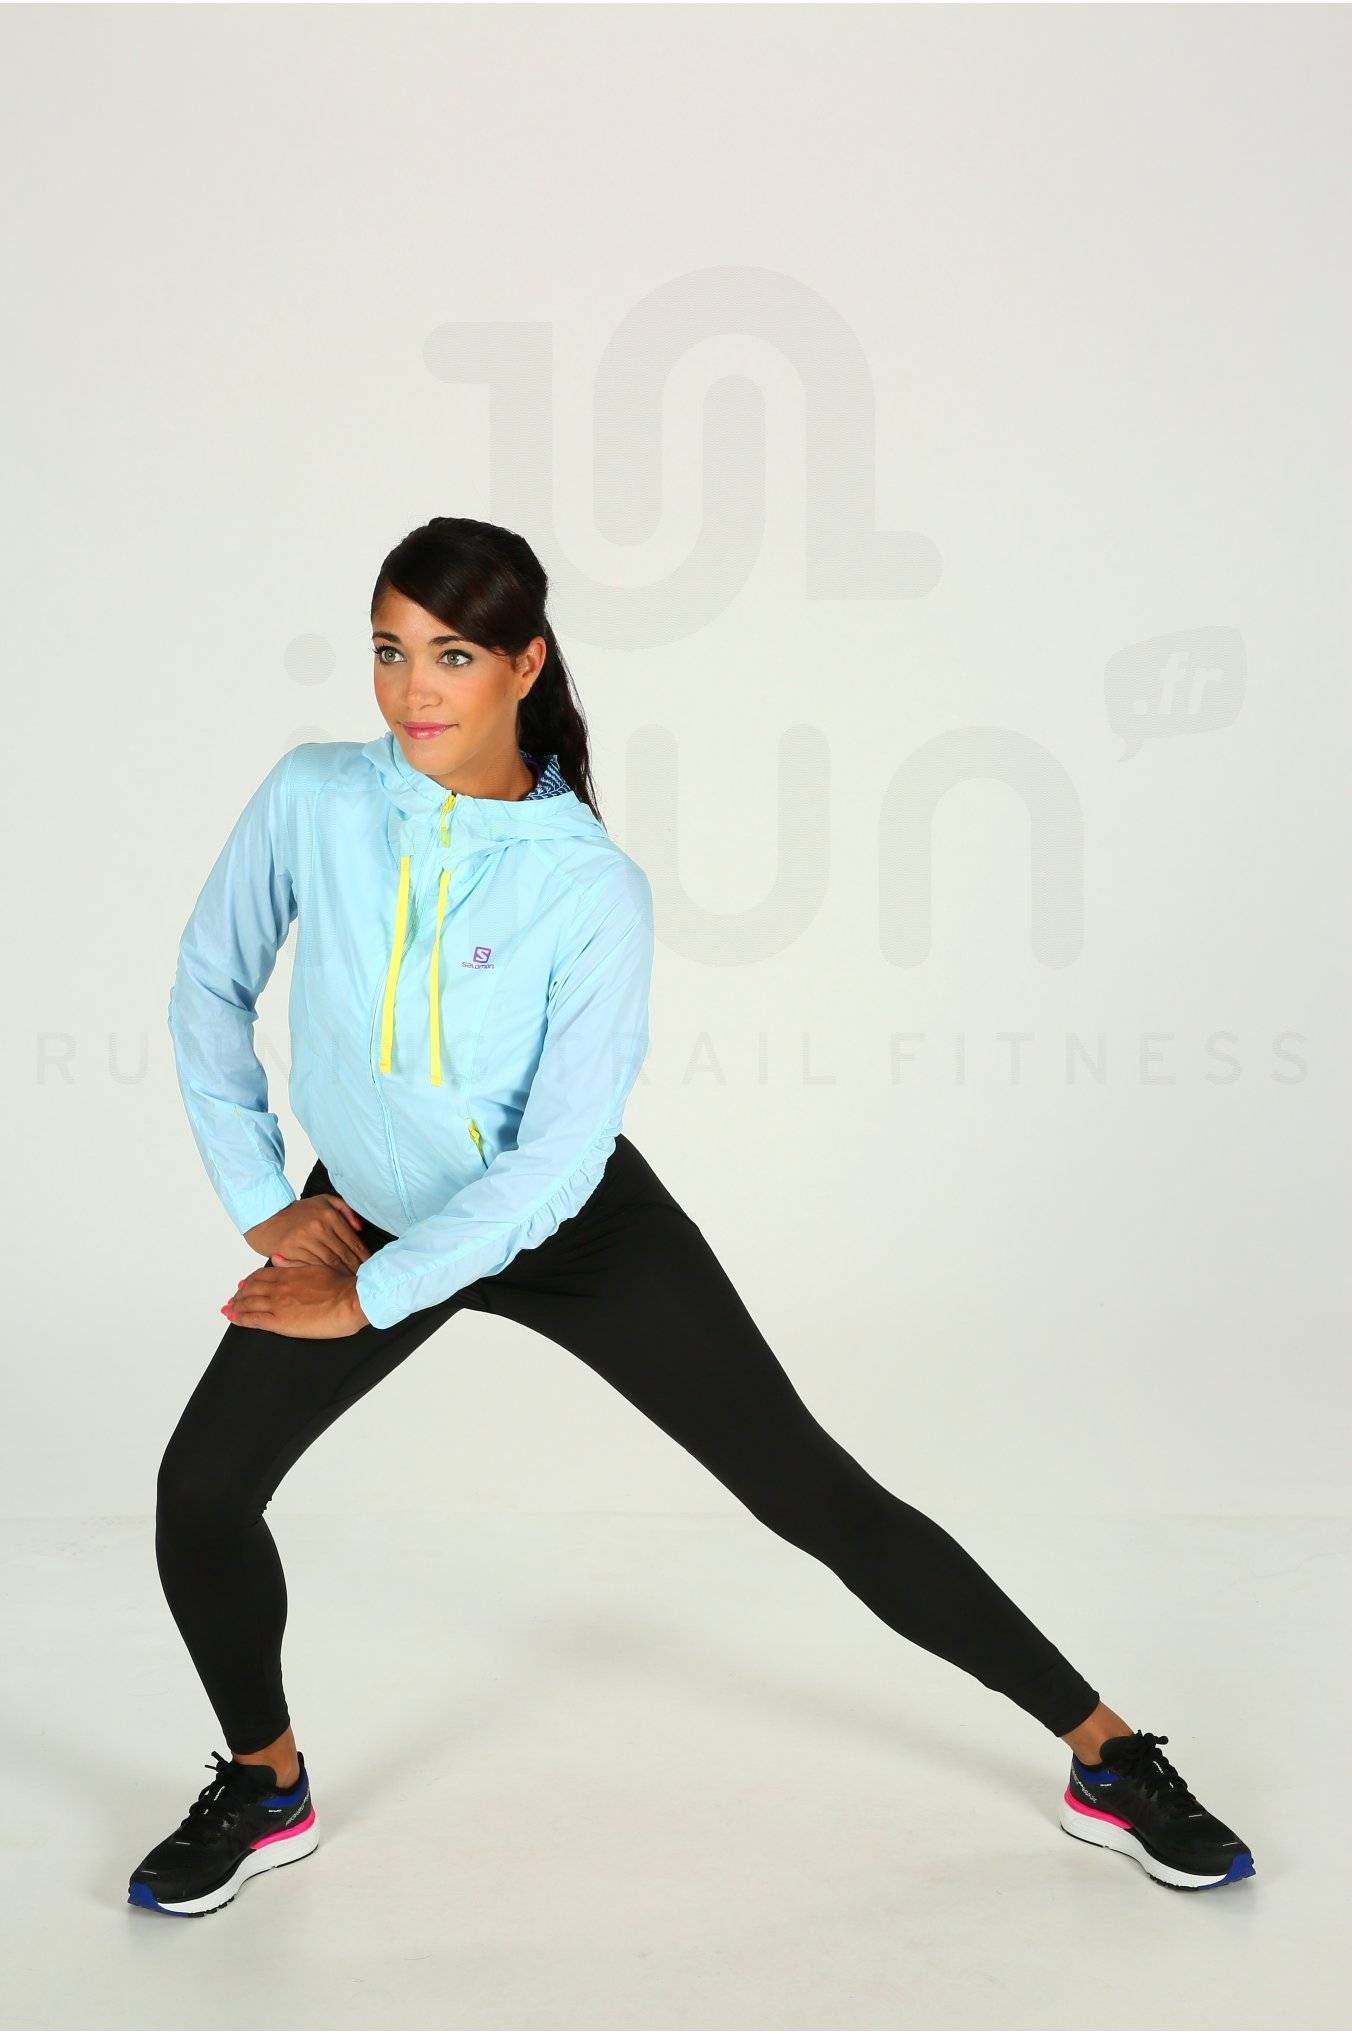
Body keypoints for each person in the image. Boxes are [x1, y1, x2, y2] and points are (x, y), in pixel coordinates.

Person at [129, 516, 1254, 1917]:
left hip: (569, 1228)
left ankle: (1106, 1752)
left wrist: (371, 1293)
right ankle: (268, 1782)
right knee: (201, 1489)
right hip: (357, 1217)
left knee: (813, 1493)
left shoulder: (587, 883)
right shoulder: (313, 795)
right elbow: (209, 982)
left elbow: (559, 1155)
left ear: (526, 664)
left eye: (454, 654)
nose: (413, 688)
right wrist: (264, 1204)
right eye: (389, 650)